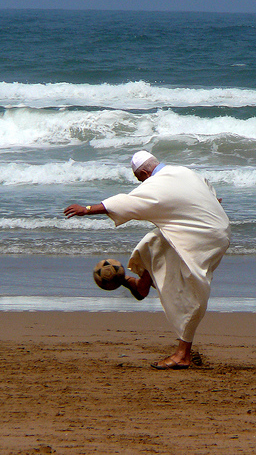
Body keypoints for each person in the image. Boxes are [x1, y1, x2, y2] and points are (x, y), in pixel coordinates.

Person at [64, 151, 230, 370]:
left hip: (204, 235)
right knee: (153, 243)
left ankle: (183, 354)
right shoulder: (182, 172)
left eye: (139, 179)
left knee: (189, 290)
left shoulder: (158, 184)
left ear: (144, 172)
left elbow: (128, 202)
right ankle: (141, 286)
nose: (140, 183)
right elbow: (210, 193)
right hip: (216, 227)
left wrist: (86, 209)